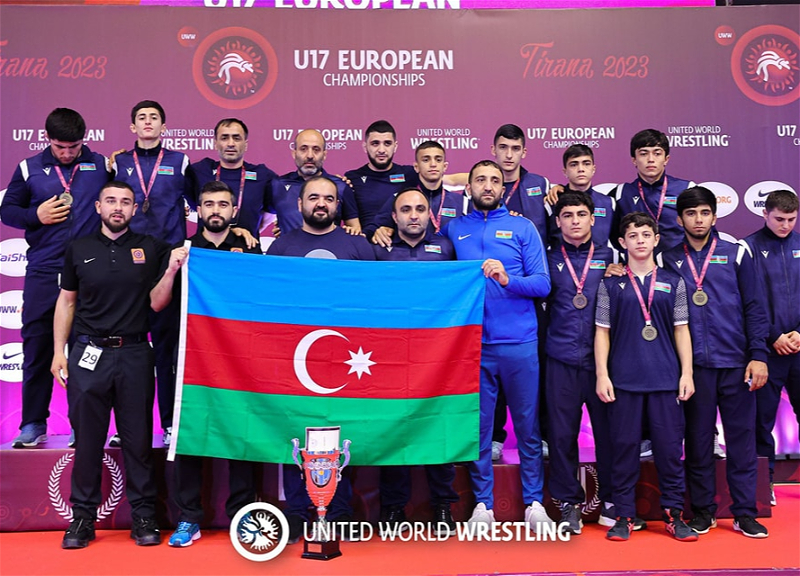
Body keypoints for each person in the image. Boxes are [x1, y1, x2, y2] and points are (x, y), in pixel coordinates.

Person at [52, 181, 179, 549]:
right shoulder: (78, 248)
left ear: (135, 209)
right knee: (88, 441)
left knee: (138, 441)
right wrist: (59, 351)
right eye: (111, 201)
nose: (118, 207)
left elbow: (158, 303)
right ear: (98, 207)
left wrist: (170, 271)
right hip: (87, 354)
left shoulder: (151, 248)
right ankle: (82, 519)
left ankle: (144, 516)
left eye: (125, 202)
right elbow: (67, 302)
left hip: (135, 353)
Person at [443, 160, 553, 529]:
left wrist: (508, 280)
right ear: (468, 188)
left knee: (527, 427)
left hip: (519, 343)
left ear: (503, 189)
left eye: (494, 180)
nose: (488, 186)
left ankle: (534, 503)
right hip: (472, 346)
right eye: (480, 180)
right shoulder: (454, 229)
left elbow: (542, 284)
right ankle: (483, 505)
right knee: (479, 429)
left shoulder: (523, 227)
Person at [266, 176, 374, 542]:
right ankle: (297, 513)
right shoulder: (281, 246)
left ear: (338, 204)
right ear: (299, 204)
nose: (322, 204)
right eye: (314, 197)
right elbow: (266, 303)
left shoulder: (358, 247)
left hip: (346, 358)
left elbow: (375, 301)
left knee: (340, 434)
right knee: (293, 435)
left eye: (329, 198)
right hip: (293, 358)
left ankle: (339, 512)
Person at [659, 186, 770, 538]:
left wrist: (758, 355)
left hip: (736, 364)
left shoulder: (736, 253)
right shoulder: (666, 259)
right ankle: (704, 511)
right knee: (697, 442)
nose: (698, 220)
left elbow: (755, 307)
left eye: (705, 213)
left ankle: (744, 512)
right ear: (680, 220)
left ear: (714, 216)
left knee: (742, 441)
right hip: (694, 369)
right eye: (691, 214)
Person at [0, 107, 111, 448]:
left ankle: (82, 423)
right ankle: (33, 423)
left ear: (83, 140)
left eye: (73, 147)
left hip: (88, 271)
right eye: (60, 147)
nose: (67, 153)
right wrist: (36, 214)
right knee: (37, 347)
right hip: (44, 270)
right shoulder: (29, 168)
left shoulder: (101, 165)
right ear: (48, 139)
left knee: (85, 349)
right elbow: (8, 211)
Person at [163, 181, 262, 547]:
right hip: (193, 357)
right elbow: (157, 303)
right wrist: (172, 270)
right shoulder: (184, 251)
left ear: (234, 211)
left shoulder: (250, 249)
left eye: (223, 204)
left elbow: (262, 300)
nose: (215, 210)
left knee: (241, 433)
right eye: (208, 204)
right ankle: (189, 518)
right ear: (198, 210)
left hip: (240, 357)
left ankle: (243, 514)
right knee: (190, 435)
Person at [595, 212, 696, 542]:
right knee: (624, 451)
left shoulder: (675, 282)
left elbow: (682, 330)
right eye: (633, 235)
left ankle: (674, 514)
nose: (640, 240)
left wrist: (687, 373)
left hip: (666, 380)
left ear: (656, 239)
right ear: (622, 243)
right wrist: (602, 375)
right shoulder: (610, 284)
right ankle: (624, 515)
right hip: (624, 381)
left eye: (645, 234)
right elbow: (602, 333)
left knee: (669, 451)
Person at [372, 188, 458, 535]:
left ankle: (442, 506)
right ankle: (393, 508)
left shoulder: (447, 248)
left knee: (438, 429)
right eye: (406, 209)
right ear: (394, 216)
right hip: (389, 357)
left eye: (420, 209)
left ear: (429, 215)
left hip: (438, 356)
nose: (413, 215)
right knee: (395, 431)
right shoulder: (377, 248)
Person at [111, 100, 195, 445]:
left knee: (166, 351)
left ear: (164, 126)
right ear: (133, 127)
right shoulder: (117, 163)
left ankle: (170, 423)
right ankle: (125, 428)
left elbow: (201, 203)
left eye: (154, 118)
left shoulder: (180, 161)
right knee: (123, 349)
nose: (148, 122)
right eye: (142, 118)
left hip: (167, 263)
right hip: (129, 261)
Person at [545, 191, 618, 535]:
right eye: (567, 215)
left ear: (593, 218)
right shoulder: (547, 258)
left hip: (603, 362)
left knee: (610, 435)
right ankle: (568, 504)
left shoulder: (613, 256)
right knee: (561, 436)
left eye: (581, 214)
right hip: (560, 358)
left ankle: (614, 499)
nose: (575, 221)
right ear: (558, 221)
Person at [743, 189, 800, 506]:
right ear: (765, 214)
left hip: (799, 347)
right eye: (779, 219)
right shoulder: (748, 248)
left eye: (791, 219)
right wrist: (773, 335)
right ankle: (764, 483)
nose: (785, 225)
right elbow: (749, 301)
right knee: (761, 421)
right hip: (767, 351)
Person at [612, 129, 695, 254]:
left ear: (666, 159)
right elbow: (612, 236)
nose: (650, 159)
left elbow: (705, 232)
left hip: (679, 262)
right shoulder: (621, 193)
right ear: (634, 160)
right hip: (638, 263)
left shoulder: (686, 189)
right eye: (643, 154)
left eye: (657, 153)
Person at [192, 118, 278, 238]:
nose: (231, 144)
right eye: (224, 138)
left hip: (247, 246)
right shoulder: (199, 171)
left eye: (236, 138)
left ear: (245, 144)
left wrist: (250, 231)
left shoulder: (263, 175)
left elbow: (271, 212)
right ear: (215, 143)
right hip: (206, 247)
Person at [367, 140, 465, 244]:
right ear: (416, 167)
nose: (433, 164)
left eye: (438, 160)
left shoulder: (461, 202)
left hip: (450, 254)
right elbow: (372, 230)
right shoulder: (400, 199)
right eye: (426, 160)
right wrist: (378, 232)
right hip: (411, 254)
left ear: (445, 166)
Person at [269, 129, 360, 235]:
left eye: (316, 150)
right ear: (294, 153)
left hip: (329, 246)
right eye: (303, 149)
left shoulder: (340, 186)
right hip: (287, 246)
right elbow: (260, 221)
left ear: (324, 155)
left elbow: (355, 229)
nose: (310, 155)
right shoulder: (277, 185)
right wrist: (282, 229)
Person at [344, 120, 419, 227]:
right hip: (366, 237)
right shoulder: (352, 178)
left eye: (387, 143)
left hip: (401, 237)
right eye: (375, 144)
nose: (381, 150)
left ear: (395, 147)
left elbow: (439, 182)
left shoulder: (410, 174)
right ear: (365, 147)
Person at [545, 144, 615, 247]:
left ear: (593, 169)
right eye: (574, 164)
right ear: (565, 171)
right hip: (562, 257)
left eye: (586, 164)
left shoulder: (608, 203)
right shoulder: (553, 200)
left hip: (599, 257)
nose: (581, 169)